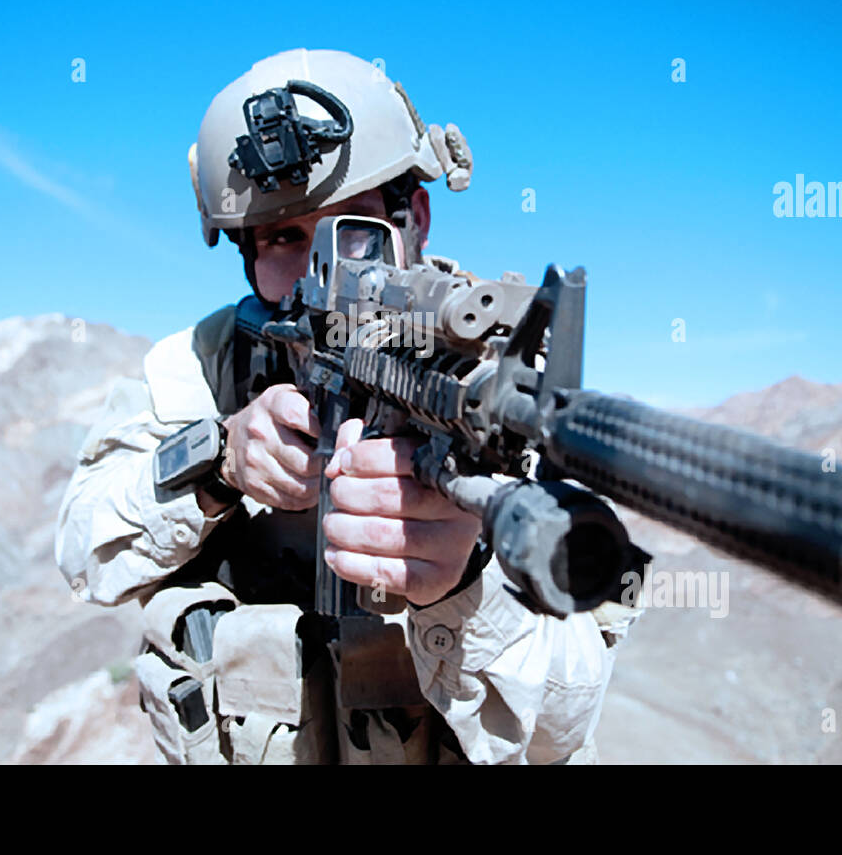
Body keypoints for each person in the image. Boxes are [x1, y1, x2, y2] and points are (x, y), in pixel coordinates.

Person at [55, 48, 640, 765]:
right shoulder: (204, 364)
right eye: (282, 238)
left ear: (414, 215)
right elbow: (83, 551)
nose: (321, 272)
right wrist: (218, 463)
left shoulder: (497, 383)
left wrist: (463, 584)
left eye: (354, 230)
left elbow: (561, 729)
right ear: (243, 250)